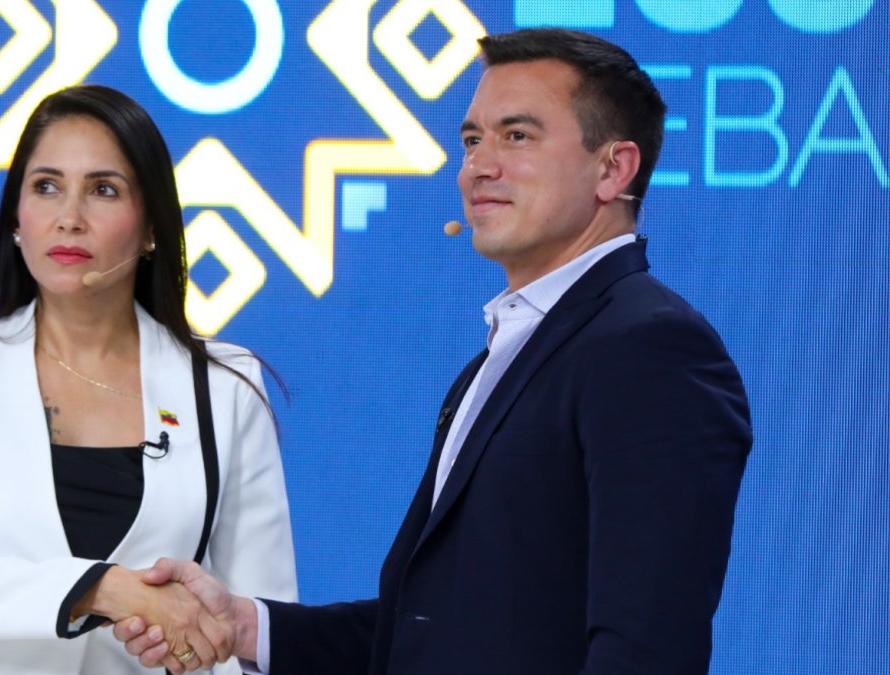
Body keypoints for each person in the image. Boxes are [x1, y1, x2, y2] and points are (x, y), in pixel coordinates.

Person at [113, 28, 752, 674]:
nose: (479, 165)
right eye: (473, 139)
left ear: (613, 168)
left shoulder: (650, 347)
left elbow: (646, 648)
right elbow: (429, 630)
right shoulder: (497, 362)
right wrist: (247, 625)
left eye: (518, 136)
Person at [0, 85, 297, 675]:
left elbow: (257, 623)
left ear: (150, 226)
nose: (69, 218)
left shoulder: (223, 385)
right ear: (15, 218)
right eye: (46, 186)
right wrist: (104, 588)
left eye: (103, 190)